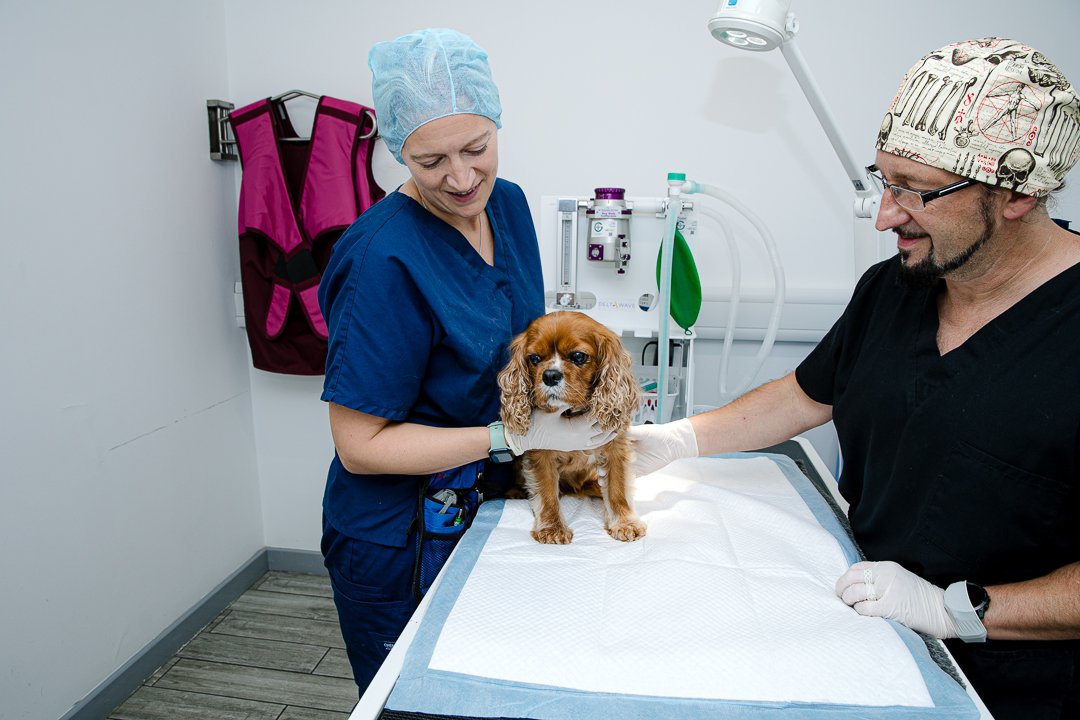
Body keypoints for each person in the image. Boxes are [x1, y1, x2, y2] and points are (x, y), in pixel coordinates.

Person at [629, 37, 1080, 719]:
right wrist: (679, 439)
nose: (886, 214)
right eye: (884, 179)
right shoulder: (896, 286)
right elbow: (809, 392)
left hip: (1014, 683)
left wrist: (954, 609)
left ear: (1014, 195)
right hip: (864, 636)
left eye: (918, 193)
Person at [317, 28, 613, 694]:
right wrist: (511, 436)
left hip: (485, 505)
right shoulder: (379, 262)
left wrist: (585, 400)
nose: (460, 178)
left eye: (476, 148)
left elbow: (516, 348)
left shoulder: (505, 204)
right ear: (397, 152)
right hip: (398, 538)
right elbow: (360, 446)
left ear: (497, 122)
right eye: (430, 161)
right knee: (418, 700)